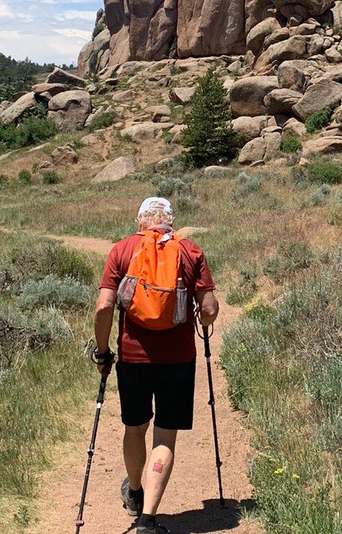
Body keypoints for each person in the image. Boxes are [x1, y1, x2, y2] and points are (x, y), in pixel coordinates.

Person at [93, 196, 219, 534]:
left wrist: (103, 352)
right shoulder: (190, 251)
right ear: (170, 222)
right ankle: (148, 520)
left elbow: (104, 307)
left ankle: (134, 491)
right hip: (178, 359)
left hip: (133, 357)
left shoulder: (121, 250)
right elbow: (208, 310)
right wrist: (202, 322)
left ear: (140, 221)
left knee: (135, 427)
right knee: (165, 437)